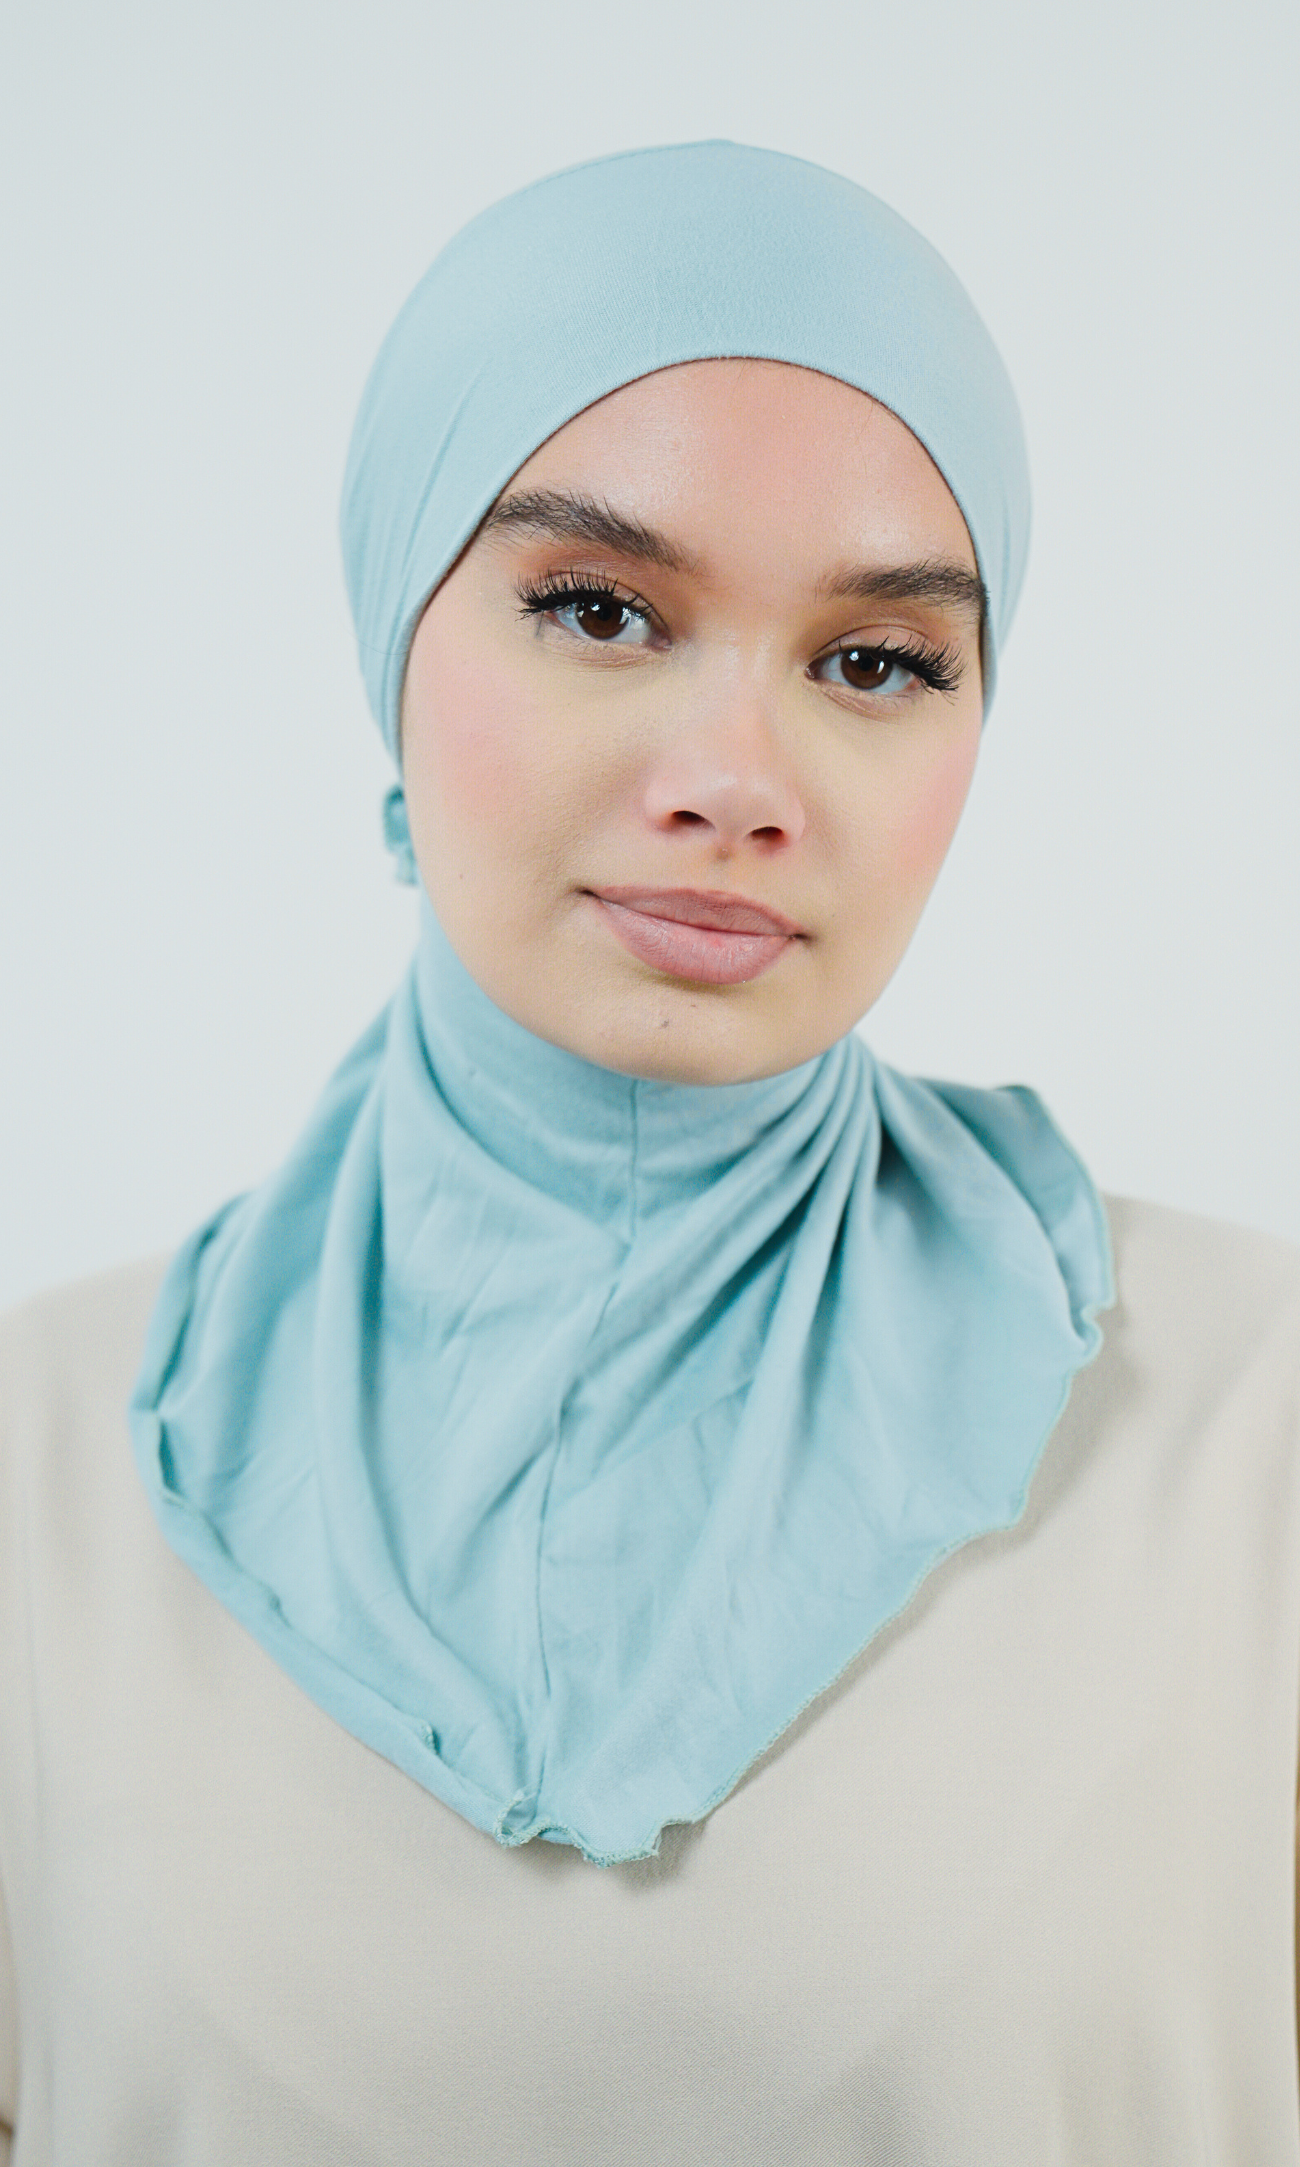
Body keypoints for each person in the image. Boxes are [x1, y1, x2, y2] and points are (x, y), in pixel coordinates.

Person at [1, 139, 1298, 2164]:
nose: (734, 782)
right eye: (599, 610)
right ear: (392, 638)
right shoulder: (35, 1478)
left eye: (874, 661)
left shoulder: (1250, 1435)